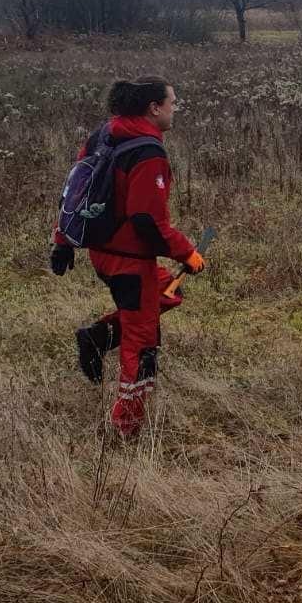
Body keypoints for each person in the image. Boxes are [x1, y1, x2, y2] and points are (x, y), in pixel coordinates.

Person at [49, 77, 204, 438]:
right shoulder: (148, 152)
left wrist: (64, 241)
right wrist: (189, 253)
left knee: (168, 290)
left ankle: (98, 337)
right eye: (172, 102)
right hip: (129, 262)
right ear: (154, 107)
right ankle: (126, 428)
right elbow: (147, 221)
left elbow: (74, 191)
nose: (174, 109)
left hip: (102, 253)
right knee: (142, 343)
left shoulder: (105, 134)